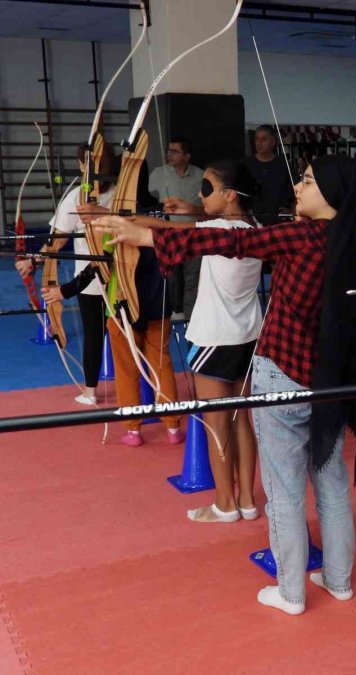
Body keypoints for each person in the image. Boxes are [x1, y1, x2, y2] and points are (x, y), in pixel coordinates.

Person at [97, 154, 356, 615]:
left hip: (283, 378)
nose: (299, 186)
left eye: (309, 181)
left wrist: (146, 237)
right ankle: (338, 581)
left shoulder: (303, 235)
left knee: (285, 489)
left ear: (332, 194)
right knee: (330, 483)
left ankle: (292, 592)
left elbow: (237, 242)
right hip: (330, 383)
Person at [137, 159, 263, 523]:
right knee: (241, 420)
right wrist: (191, 210)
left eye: (206, 188)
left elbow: (164, 230)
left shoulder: (217, 231)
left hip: (213, 339)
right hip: (248, 337)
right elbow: (201, 221)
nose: (199, 193)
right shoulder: (254, 227)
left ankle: (225, 505)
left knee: (216, 423)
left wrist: (112, 218)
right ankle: (247, 501)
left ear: (229, 195)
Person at [44, 198, 184, 448]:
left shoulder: (119, 229)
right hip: (153, 307)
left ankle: (134, 429)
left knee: (127, 369)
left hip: (123, 309)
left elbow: (94, 268)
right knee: (160, 364)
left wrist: (63, 292)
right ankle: (173, 426)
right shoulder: (161, 231)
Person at [15, 142, 115, 405]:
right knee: (123, 332)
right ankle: (136, 390)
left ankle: (91, 392)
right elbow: (56, 243)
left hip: (95, 280)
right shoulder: (119, 194)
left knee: (95, 333)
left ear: (85, 165)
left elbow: (56, 243)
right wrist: (34, 260)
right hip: (115, 279)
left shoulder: (82, 198)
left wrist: (33, 260)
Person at [148, 137, 204, 321]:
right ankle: (174, 310)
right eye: (168, 150)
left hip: (193, 234)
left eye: (175, 151)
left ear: (187, 156)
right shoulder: (159, 173)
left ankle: (191, 315)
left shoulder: (201, 176)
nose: (169, 154)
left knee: (192, 276)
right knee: (171, 276)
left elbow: (208, 206)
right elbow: (145, 195)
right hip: (169, 233)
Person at [244, 124, 295, 226]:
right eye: (257, 139)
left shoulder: (284, 164)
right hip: (252, 221)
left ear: (273, 142)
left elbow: (296, 189)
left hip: (279, 222)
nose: (259, 143)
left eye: (264, 139)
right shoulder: (246, 164)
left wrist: (290, 210)